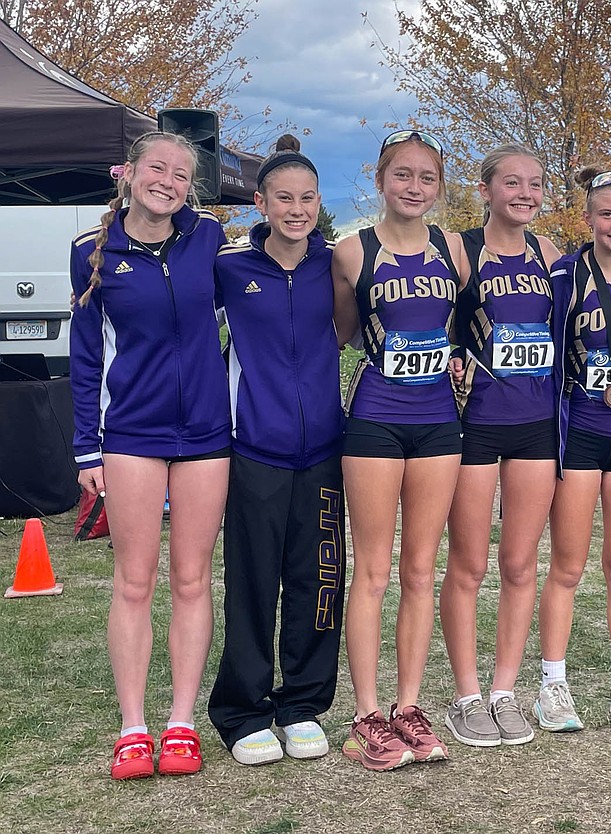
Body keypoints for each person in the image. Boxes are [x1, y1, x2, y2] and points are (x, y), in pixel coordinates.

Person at [70, 130, 230, 779]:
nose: (168, 181)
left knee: (192, 579)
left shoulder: (208, 238)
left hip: (208, 435)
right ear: (129, 173)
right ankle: (133, 728)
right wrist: (86, 448)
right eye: (157, 168)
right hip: (131, 434)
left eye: (181, 174)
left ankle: (182, 724)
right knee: (134, 582)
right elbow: (85, 356)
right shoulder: (90, 252)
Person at [331, 130, 471, 769]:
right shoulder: (351, 250)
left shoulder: (454, 249)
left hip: (439, 421)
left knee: (420, 570)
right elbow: (343, 330)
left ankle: (408, 706)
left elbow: (462, 326)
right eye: (403, 175)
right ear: (381, 180)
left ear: (439, 186)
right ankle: (366, 714)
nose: (415, 187)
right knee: (372, 570)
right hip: (376, 420)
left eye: (427, 177)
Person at [208, 136, 346, 765]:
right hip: (255, 448)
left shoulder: (335, 265)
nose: (297, 209)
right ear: (260, 203)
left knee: (319, 579)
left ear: (319, 202)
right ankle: (243, 711)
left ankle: (303, 705)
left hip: (324, 449)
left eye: (307, 198)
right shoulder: (231, 267)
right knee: (253, 581)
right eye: (284, 198)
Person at [439, 144, 562, 747]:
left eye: (534, 184)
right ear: (485, 189)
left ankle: (504, 691)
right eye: (512, 183)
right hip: (475, 423)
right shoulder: (459, 250)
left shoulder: (550, 254)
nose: (525, 194)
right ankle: (466, 696)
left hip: (536, 422)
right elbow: (427, 317)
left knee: (520, 564)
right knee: (469, 564)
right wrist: (451, 354)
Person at [534, 166, 611, 732]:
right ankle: (552, 686)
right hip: (579, 432)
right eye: (606, 213)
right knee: (567, 566)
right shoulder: (565, 275)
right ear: (587, 217)